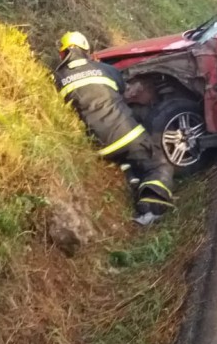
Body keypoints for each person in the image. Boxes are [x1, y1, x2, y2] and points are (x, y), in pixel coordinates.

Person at [53, 32, 174, 223]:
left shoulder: (59, 77)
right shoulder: (104, 69)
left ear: (63, 54)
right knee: (159, 162)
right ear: (87, 51)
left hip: (100, 145)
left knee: (128, 160)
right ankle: (152, 205)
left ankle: (133, 179)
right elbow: (123, 93)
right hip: (127, 135)